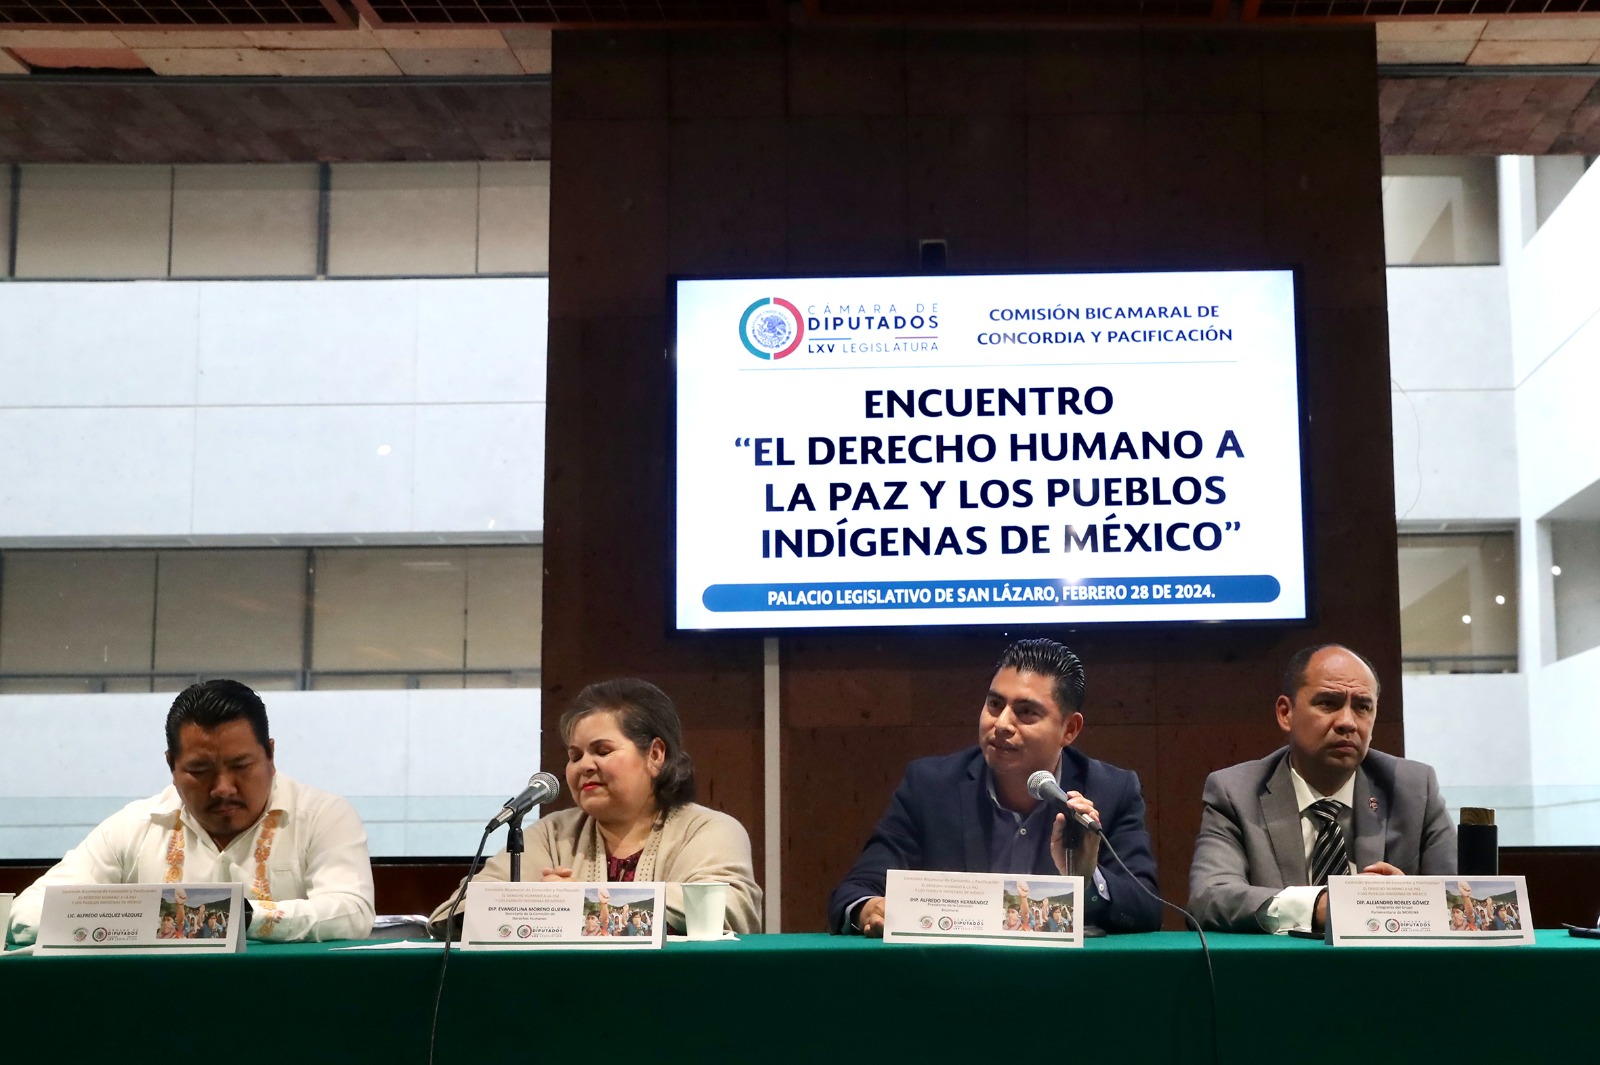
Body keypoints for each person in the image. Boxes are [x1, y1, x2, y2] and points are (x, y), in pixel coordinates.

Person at [828, 639, 1162, 936]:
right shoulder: (931, 787)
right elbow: (856, 890)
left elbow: (1146, 908)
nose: (1001, 724)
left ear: (1069, 729)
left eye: (1026, 712)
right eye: (994, 705)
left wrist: (1086, 881)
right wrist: (867, 909)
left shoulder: (1110, 791)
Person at [6, 679, 375, 946]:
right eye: (200, 771)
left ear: (271, 755)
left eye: (241, 766)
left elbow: (351, 912)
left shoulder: (323, 816)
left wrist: (239, 917)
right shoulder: (135, 827)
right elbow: (24, 917)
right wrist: (137, 918)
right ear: (172, 765)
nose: (223, 787)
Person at [429, 678, 763, 936]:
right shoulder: (552, 834)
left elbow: (726, 910)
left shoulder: (708, 830)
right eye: (575, 756)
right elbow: (452, 914)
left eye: (602, 751)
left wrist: (584, 902)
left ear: (655, 755)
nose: (584, 766)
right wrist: (538, 905)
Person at [1188, 644, 1456, 934]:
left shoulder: (1414, 789)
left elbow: (1460, 901)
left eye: (1362, 707)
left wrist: (1412, 902)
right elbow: (1209, 898)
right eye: (1328, 703)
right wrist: (1319, 906)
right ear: (1285, 713)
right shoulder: (1236, 793)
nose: (1347, 722)